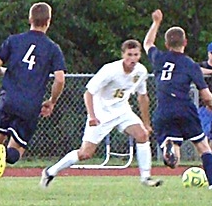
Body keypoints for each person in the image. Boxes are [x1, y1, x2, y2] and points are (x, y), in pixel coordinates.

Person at [40, 40, 163, 188]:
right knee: (85, 153)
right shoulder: (110, 70)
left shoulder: (141, 71)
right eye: (129, 54)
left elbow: (142, 97)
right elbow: (88, 93)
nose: (132, 58)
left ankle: (146, 177)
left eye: (136, 55)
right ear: (123, 55)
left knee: (142, 135)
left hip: (122, 110)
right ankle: (50, 172)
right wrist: (92, 116)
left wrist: (146, 123)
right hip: (101, 113)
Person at [0, 2, 66, 195]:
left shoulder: (14, 41)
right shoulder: (52, 48)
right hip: (31, 105)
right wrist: (52, 101)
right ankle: (6, 154)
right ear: (48, 22)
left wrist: (6, 73)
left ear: (30, 19)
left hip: (8, 100)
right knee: (17, 151)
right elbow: (59, 79)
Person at [143, 9, 212, 190]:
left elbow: (147, 43)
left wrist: (156, 22)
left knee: (174, 162)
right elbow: (205, 93)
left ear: (166, 43)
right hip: (184, 108)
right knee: (203, 147)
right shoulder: (189, 64)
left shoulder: (159, 58)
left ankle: (170, 149)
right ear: (185, 42)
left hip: (164, 110)